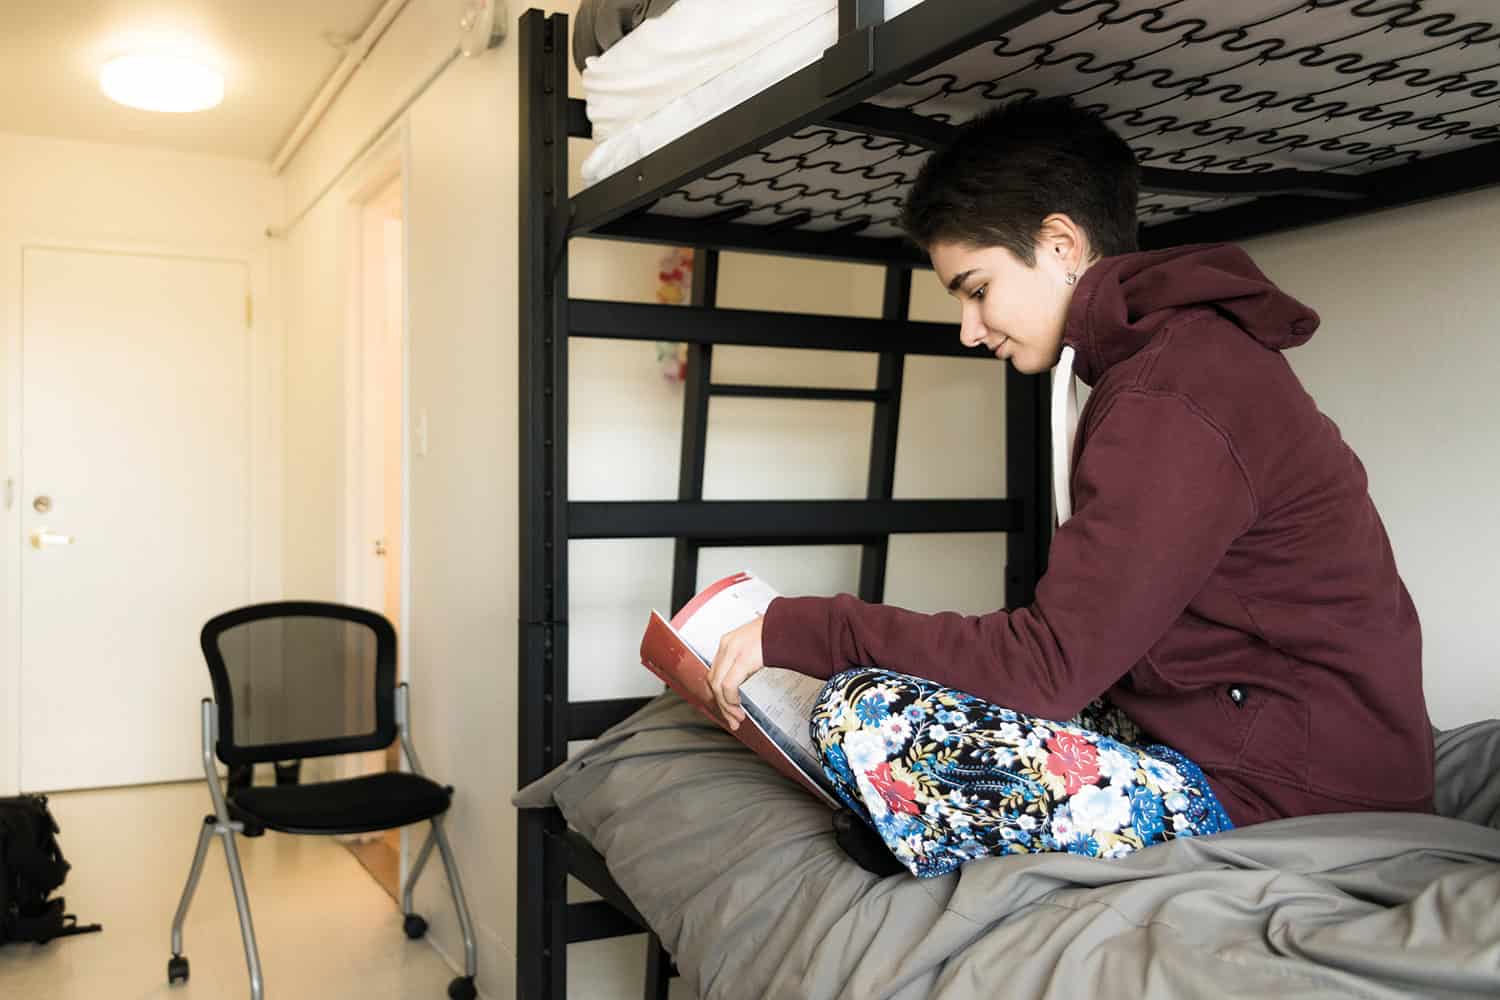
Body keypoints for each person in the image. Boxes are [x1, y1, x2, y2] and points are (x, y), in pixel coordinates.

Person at [706, 97, 1434, 878]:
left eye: (976, 289)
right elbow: (1075, 648)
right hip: (1241, 740)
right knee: (902, 689)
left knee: (866, 714)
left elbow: (1048, 666)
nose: (968, 329)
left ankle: (928, 819)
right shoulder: (1160, 366)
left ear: (1060, 245)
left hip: (1301, 802)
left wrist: (808, 630)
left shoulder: (1172, 393)